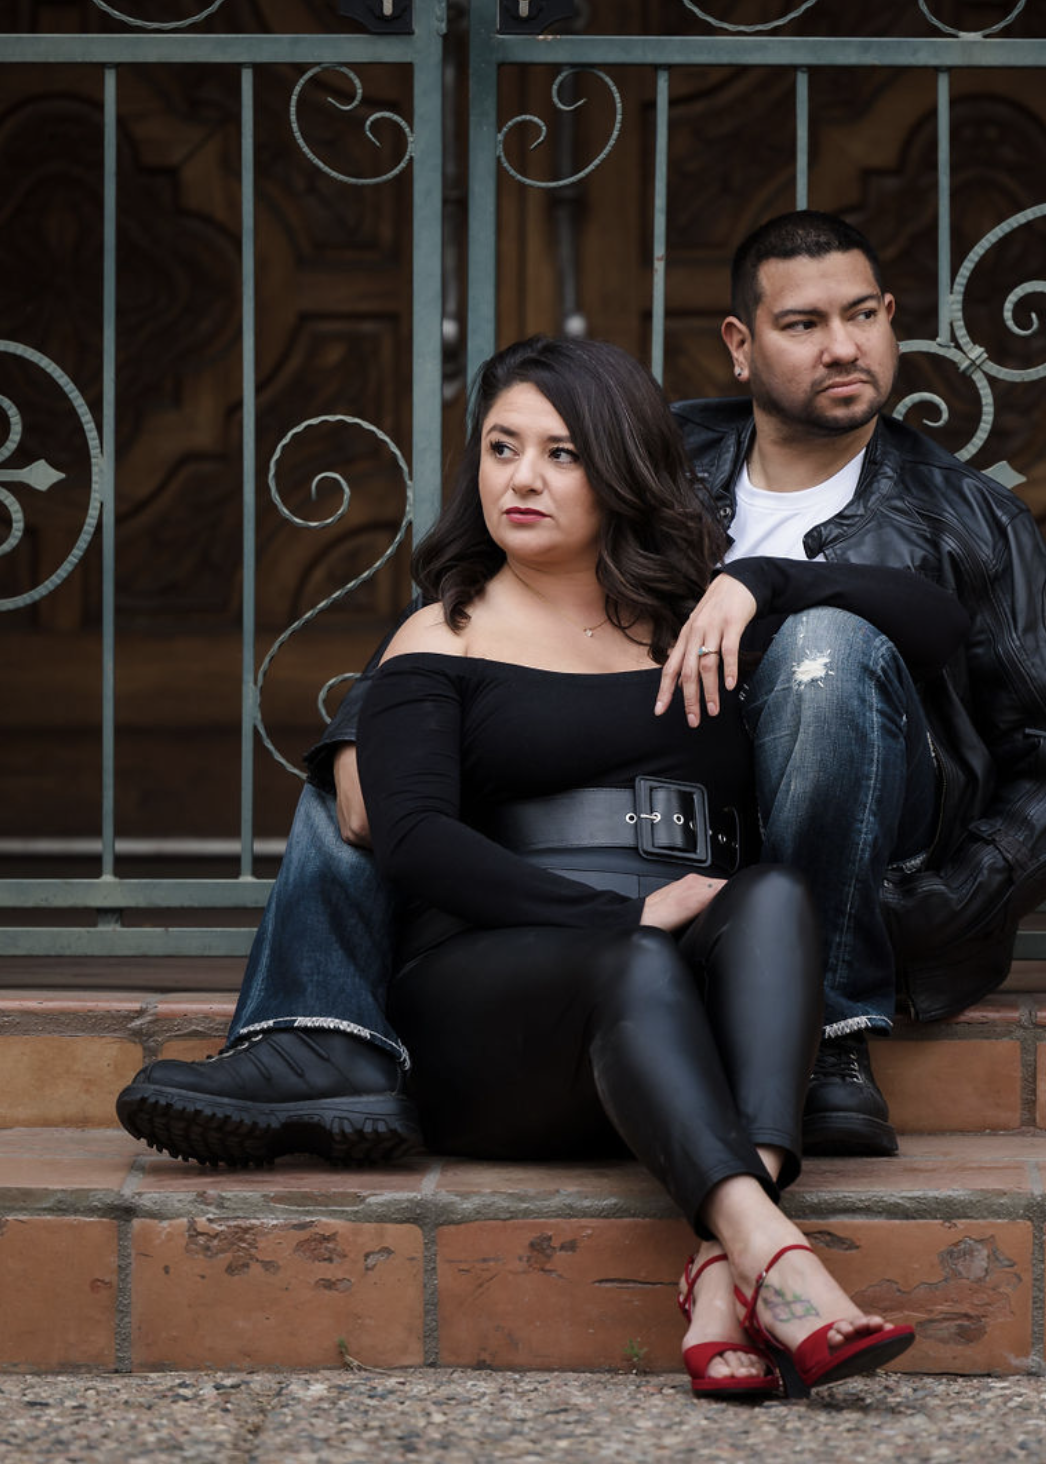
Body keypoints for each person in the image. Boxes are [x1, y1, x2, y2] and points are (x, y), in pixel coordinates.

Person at [116, 209, 1046, 1169]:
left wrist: (920, 908)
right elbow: (490, 591)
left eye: (862, 316)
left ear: (893, 318)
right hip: (648, 837)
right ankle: (320, 1041)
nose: (843, 347)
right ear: (741, 342)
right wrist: (362, 722)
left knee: (824, 649)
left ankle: (831, 1028)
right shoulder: (656, 449)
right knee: (362, 781)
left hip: (816, 870)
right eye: (804, 324)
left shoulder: (967, 517)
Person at [306, 333, 947, 1397]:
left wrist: (759, 581)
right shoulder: (444, 632)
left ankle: (717, 1270)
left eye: (562, 453)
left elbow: (940, 628)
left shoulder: (695, 619)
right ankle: (778, 1256)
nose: (522, 477)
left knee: (778, 894)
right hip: (495, 998)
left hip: (668, 987)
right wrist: (619, 917)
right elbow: (414, 840)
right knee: (635, 961)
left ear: (620, 468)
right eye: (503, 448)